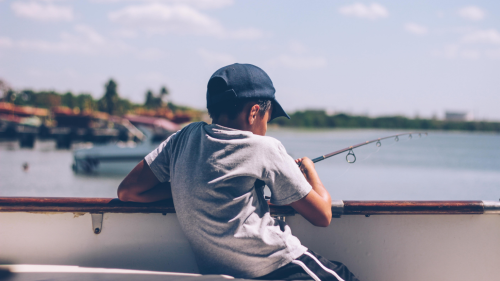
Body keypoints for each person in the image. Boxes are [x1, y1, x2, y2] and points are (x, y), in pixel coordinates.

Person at [117, 63, 360, 281]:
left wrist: (189, 189)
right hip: (280, 266)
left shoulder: (183, 137)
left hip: (224, 273)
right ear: (254, 112)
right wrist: (310, 170)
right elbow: (323, 216)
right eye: (268, 117)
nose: (266, 126)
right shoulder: (265, 148)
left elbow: (128, 192)